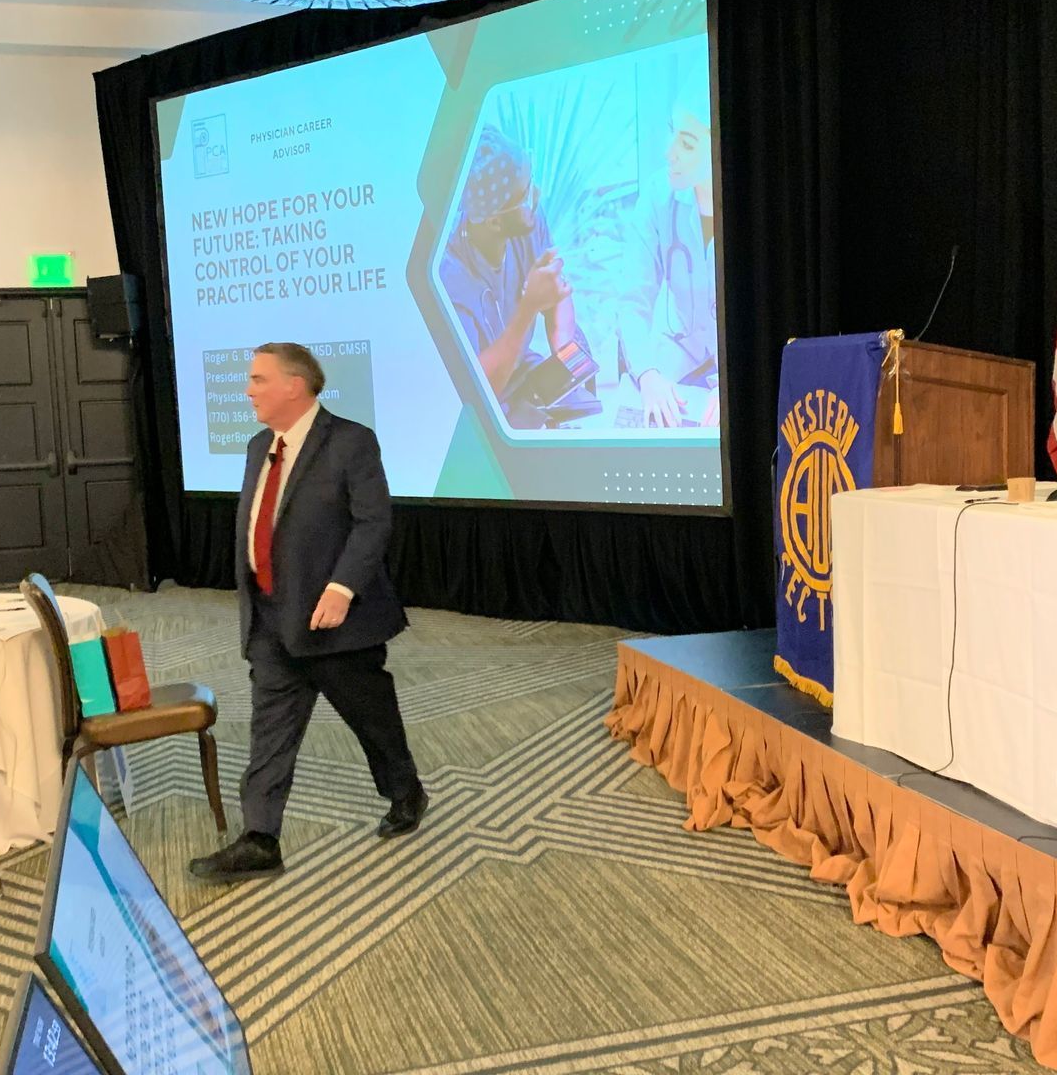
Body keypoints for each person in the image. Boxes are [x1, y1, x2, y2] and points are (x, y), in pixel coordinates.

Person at [189, 343, 425, 884]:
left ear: (294, 385)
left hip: (335, 623)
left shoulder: (350, 442)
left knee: (373, 720)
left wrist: (342, 587)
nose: (247, 390)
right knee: (270, 731)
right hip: (271, 619)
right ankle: (260, 838)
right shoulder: (256, 446)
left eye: (257, 379)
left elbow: (373, 523)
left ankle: (405, 790)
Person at [438, 125, 585, 409]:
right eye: (526, 192)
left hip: (521, 373)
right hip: (481, 407)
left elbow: (558, 290)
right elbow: (476, 390)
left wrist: (567, 353)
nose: (537, 194)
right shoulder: (447, 275)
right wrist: (528, 309)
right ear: (494, 221)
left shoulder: (527, 222)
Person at [619, 93, 720, 427]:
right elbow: (632, 299)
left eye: (687, 144)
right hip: (677, 354)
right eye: (671, 131)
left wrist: (732, 386)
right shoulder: (657, 196)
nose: (669, 153)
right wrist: (648, 375)